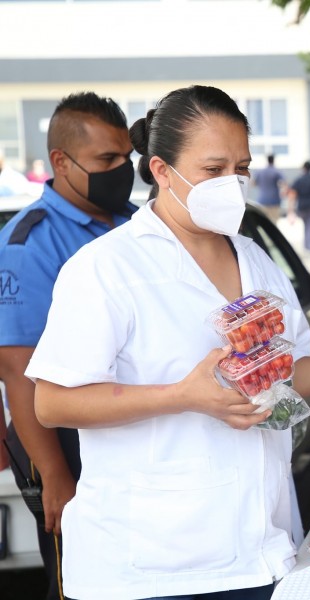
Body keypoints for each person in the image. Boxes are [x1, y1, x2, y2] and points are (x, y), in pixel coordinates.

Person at [24, 85, 310, 600]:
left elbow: (284, 371)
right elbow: (52, 402)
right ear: (161, 171)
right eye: (212, 169)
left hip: (261, 547)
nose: (232, 184)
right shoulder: (106, 268)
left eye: (240, 168)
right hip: (154, 563)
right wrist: (182, 396)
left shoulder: (256, 260)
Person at [0, 92, 135, 600]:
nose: (122, 170)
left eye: (126, 158)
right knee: (81, 574)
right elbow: (19, 371)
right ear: (61, 161)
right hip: (62, 440)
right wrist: (54, 474)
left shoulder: (131, 221)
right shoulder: (29, 245)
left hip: (125, 425)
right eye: (107, 160)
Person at [287, 160, 310, 254]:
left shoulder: (299, 180)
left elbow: (293, 194)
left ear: (304, 168)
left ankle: (306, 246)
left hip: (302, 207)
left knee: (306, 226)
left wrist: (291, 210)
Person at [254, 153, 285, 222]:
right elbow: (283, 183)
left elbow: (253, 183)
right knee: (274, 223)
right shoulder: (277, 171)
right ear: (273, 160)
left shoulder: (260, 172)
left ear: (267, 160)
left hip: (262, 200)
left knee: (264, 222)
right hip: (274, 200)